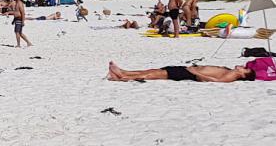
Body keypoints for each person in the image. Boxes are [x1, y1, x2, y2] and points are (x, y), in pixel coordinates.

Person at [106, 62, 255, 83]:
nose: (242, 66)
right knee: (155, 70)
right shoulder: (231, 71)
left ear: (243, 75)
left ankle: (122, 78)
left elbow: (216, 81)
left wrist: (197, 74)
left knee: (155, 75)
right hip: (190, 69)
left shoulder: (232, 76)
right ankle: (124, 72)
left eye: (244, 69)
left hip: (190, 74)